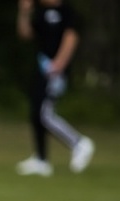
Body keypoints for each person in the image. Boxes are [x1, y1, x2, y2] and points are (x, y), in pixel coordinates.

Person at [15, 0, 94, 177]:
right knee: (36, 112)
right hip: (42, 69)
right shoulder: (41, 13)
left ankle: (79, 143)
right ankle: (41, 160)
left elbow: (71, 37)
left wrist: (59, 64)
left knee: (45, 114)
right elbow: (25, 34)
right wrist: (24, 12)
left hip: (56, 71)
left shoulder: (67, 11)